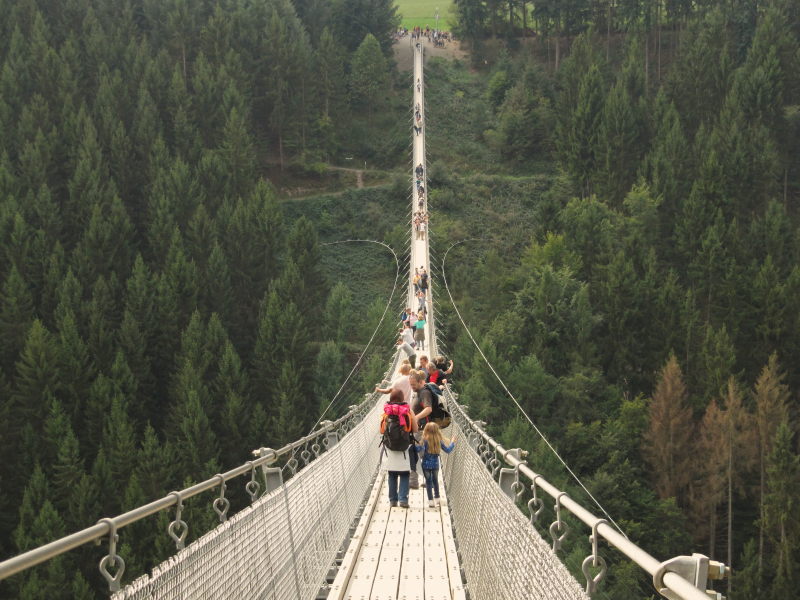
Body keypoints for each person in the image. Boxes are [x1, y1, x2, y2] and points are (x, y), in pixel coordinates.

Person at [381, 389, 418, 508]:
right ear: (402, 398)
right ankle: (403, 500)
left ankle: (392, 500)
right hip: (405, 447)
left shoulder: (386, 411)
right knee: (404, 473)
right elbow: (416, 429)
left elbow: (381, 430)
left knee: (392, 473)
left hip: (390, 447)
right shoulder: (408, 411)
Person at [415, 422, 456, 507]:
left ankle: (430, 501)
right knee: (435, 481)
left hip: (425, 465)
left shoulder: (424, 440)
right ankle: (437, 498)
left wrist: (415, 444)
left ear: (426, 430)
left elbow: (417, 449)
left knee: (428, 482)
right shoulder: (439, 441)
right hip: (435, 465)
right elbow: (448, 450)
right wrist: (452, 442)